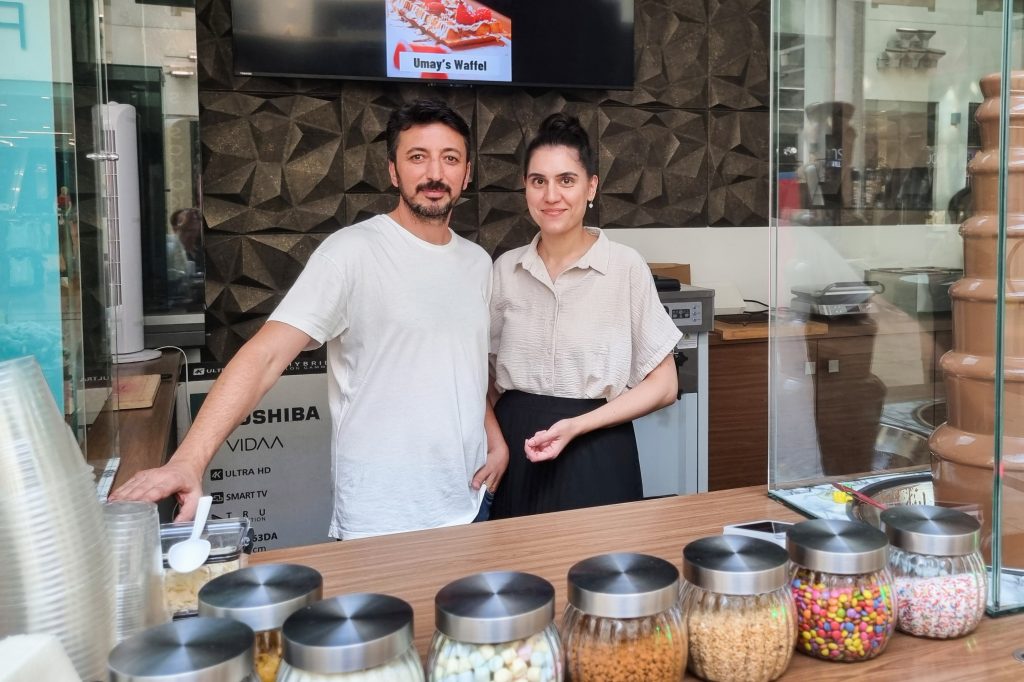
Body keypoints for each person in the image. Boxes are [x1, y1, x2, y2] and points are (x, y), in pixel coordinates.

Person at [111, 99, 508, 539]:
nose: (435, 173)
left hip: (470, 502)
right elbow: (264, 357)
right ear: (393, 171)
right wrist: (188, 459)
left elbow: (464, 368)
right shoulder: (351, 253)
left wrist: (495, 439)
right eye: (418, 157)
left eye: (449, 158)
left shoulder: (477, 263)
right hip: (382, 519)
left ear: (467, 172)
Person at [488, 113, 681, 518]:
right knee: (517, 575)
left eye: (566, 180)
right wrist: (494, 443)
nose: (551, 195)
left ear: (591, 186)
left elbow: (664, 386)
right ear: (525, 187)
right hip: (517, 450)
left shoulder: (625, 267)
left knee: (600, 574)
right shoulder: (505, 270)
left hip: (598, 449)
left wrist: (577, 426)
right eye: (538, 181)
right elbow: (484, 381)